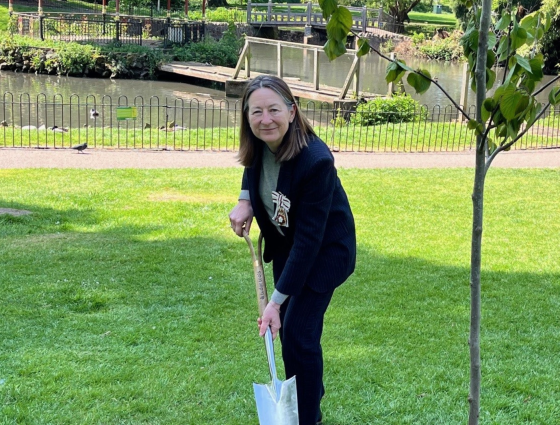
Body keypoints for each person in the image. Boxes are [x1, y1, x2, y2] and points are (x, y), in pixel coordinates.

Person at [229, 75, 356, 425]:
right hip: (288, 245)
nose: (265, 119)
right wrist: (245, 201)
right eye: (256, 112)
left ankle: (308, 417)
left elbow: (309, 242)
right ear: (247, 116)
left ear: (292, 111)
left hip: (325, 252)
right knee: (290, 336)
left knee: (299, 334)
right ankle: (300, 404)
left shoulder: (315, 161)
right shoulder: (259, 144)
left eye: (273, 110)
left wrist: (274, 302)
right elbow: (252, 168)